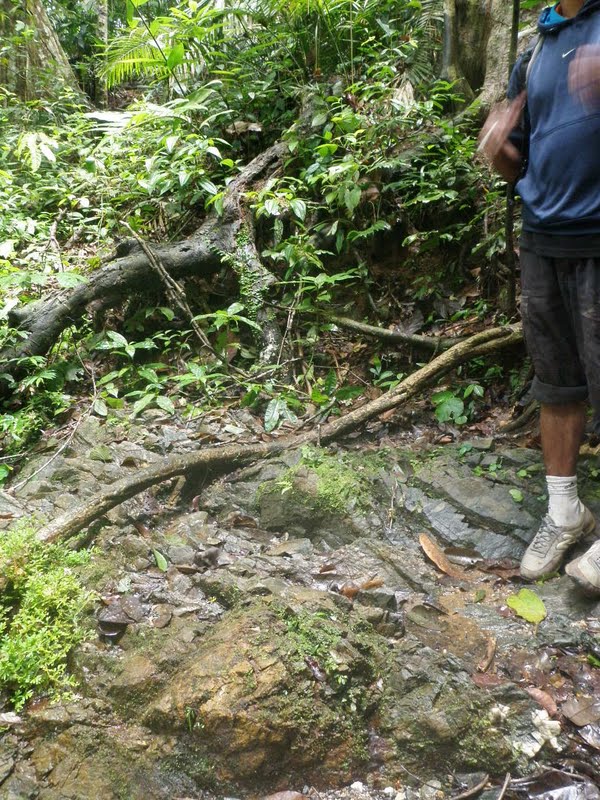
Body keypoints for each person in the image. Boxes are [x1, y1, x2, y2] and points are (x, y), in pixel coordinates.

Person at [479, 0, 600, 594]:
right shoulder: (536, 50)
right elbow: (517, 160)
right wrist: (498, 147)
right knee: (557, 382)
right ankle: (564, 512)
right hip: (543, 237)